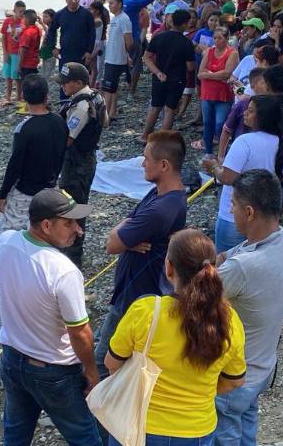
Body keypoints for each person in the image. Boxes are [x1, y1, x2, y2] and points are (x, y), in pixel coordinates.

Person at [104, 230, 247, 446]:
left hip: (138, 424)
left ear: (169, 268)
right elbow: (235, 380)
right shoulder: (229, 321)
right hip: (196, 430)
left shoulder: (146, 312)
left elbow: (111, 363)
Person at [0, 189, 101, 446]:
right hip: (53, 371)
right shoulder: (63, 271)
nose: (78, 230)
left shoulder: (5, 242)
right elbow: (80, 332)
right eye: (69, 223)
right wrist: (91, 371)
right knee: (85, 437)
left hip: (12, 358)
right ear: (46, 225)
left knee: (15, 435)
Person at [94, 131, 188, 382]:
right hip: (133, 291)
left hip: (135, 297)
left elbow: (112, 245)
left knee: (103, 362)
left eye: (146, 158)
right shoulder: (159, 194)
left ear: (164, 165)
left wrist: (123, 235)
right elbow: (127, 226)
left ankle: (99, 404)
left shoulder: (160, 209)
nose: (142, 163)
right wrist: (127, 235)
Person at [215, 170, 283, 444]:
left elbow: (195, 300)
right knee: (246, 431)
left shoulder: (242, 267)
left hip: (234, 378)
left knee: (225, 436)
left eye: (233, 204)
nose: (231, 210)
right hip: (262, 367)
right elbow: (224, 258)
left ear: (249, 212)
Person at [205, 96, 283, 252]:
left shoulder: (244, 141)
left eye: (250, 111)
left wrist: (213, 167)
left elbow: (227, 178)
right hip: (263, 220)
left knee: (227, 261)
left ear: (263, 117)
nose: (244, 113)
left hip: (235, 216)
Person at [0, 74, 68, 233]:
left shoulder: (24, 129)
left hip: (25, 192)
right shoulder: (60, 122)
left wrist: (3, 194)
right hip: (50, 188)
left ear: (23, 96)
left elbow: (15, 165)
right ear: (46, 96)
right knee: (43, 233)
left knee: (11, 234)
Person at [57, 63, 104, 269]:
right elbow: (105, 121)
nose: (63, 87)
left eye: (66, 83)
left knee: (73, 207)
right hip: (87, 159)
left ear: (78, 83)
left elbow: (67, 139)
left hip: (77, 164)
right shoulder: (96, 97)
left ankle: (73, 255)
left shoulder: (82, 106)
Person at [142, 9, 197, 141]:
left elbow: (146, 57)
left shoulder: (159, 37)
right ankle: (162, 140)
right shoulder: (186, 42)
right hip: (177, 79)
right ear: (184, 24)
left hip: (159, 77)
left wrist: (157, 72)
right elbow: (190, 67)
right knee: (170, 109)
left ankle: (144, 136)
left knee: (155, 107)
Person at [197, 27, 240, 158]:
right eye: (215, 38)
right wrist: (217, 75)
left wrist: (209, 74)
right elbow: (200, 73)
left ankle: (223, 153)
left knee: (220, 124)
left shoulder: (232, 53)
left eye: (220, 38)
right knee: (207, 123)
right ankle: (208, 152)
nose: (216, 41)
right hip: (207, 93)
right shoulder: (209, 51)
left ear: (226, 39)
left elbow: (227, 73)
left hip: (223, 95)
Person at [45, 0, 98, 80]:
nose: (73, 1)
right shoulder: (60, 14)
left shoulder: (87, 14)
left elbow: (92, 34)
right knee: (65, 79)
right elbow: (52, 30)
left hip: (82, 54)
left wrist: (89, 51)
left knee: (80, 80)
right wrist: (53, 47)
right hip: (65, 54)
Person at [101, 0, 134, 121]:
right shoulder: (115, 18)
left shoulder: (124, 19)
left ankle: (105, 118)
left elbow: (129, 41)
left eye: (112, 3)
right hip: (111, 58)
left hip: (116, 60)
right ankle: (112, 113)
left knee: (108, 89)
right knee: (113, 88)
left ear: (119, 4)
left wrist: (126, 55)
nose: (109, 6)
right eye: (109, 3)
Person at [123, 0, 157, 93]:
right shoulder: (135, 1)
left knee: (126, 63)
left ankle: (128, 87)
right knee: (134, 64)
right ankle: (131, 90)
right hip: (133, 36)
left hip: (124, 36)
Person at [1, 0, 27, 105]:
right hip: (9, 52)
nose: (22, 14)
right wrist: (5, 53)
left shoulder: (24, 23)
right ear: (14, 10)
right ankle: (8, 97)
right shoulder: (7, 22)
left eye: (24, 12)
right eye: (20, 11)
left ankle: (18, 98)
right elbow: (3, 37)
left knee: (17, 77)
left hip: (18, 53)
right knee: (8, 76)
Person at [17, 9, 43, 83]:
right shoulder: (37, 30)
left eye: (23, 18)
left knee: (26, 83)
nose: (22, 20)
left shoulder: (27, 33)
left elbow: (23, 49)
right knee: (32, 83)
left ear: (26, 19)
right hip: (34, 62)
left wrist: (19, 65)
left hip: (26, 63)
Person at [39, 8, 57, 77]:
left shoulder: (52, 28)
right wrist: (42, 23)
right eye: (43, 16)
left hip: (50, 56)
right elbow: (47, 30)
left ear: (52, 18)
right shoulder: (50, 28)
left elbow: (50, 41)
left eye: (46, 17)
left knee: (47, 76)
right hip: (47, 56)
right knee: (44, 75)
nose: (44, 18)